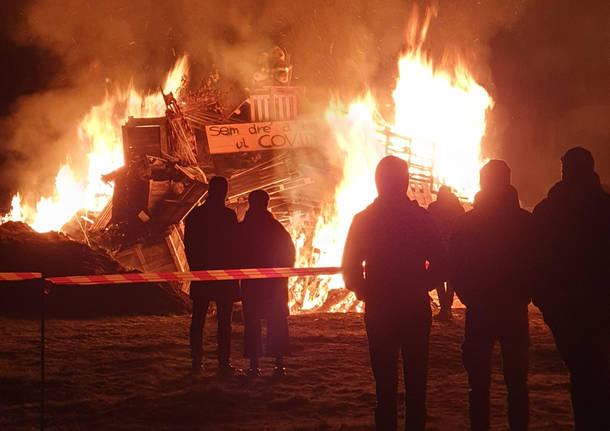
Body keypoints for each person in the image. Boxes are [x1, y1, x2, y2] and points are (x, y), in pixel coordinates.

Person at [342, 156, 446, 431]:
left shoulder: (364, 220)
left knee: (384, 385)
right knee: (416, 383)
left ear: (378, 183)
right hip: (413, 307)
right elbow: (441, 263)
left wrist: (365, 291)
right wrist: (421, 285)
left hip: (381, 310)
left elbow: (350, 267)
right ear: (405, 182)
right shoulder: (421, 219)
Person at [449, 160, 533, 431]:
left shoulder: (467, 223)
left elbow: (455, 266)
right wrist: (525, 295)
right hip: (513, 309)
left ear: (483, 183)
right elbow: (538, 264)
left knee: (479, 384)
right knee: (517, 384)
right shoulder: (525, 222)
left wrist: (469, 296)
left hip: (481, 310)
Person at [532, 147, 610, 430]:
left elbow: (535, 263)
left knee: (583, 377)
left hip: (568, 311)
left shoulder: (547, 211)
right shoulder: (605, 206)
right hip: (598, 310)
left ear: (564, 171)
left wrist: (548, 305)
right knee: (597, 377)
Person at [184, 176, 240, 376]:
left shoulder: (195, 216)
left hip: (203, 276)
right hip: (223, 277)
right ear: (223, 192)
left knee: (198, 320)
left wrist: (196, 270)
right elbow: (236, 247)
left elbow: (189, 246)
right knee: (224, 322)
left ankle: (196, 362)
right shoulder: (228, 216)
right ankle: (223, 364)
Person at [240, 189, 295, 376]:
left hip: (253, 285)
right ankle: (278, 365)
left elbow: (235, 252)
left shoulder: (244, 229)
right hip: (274, 286)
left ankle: (254, 366)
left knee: (253, 322)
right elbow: (290, 255)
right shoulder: (277, 228)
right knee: (277, 321)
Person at [427, 185, 465, 321]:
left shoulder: (433, 207)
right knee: (450, 280)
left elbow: (428, 227)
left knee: (439, 278)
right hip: (454, 248)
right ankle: (446, 309)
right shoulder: (458, 208)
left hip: (438, 247)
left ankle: (445, 309)